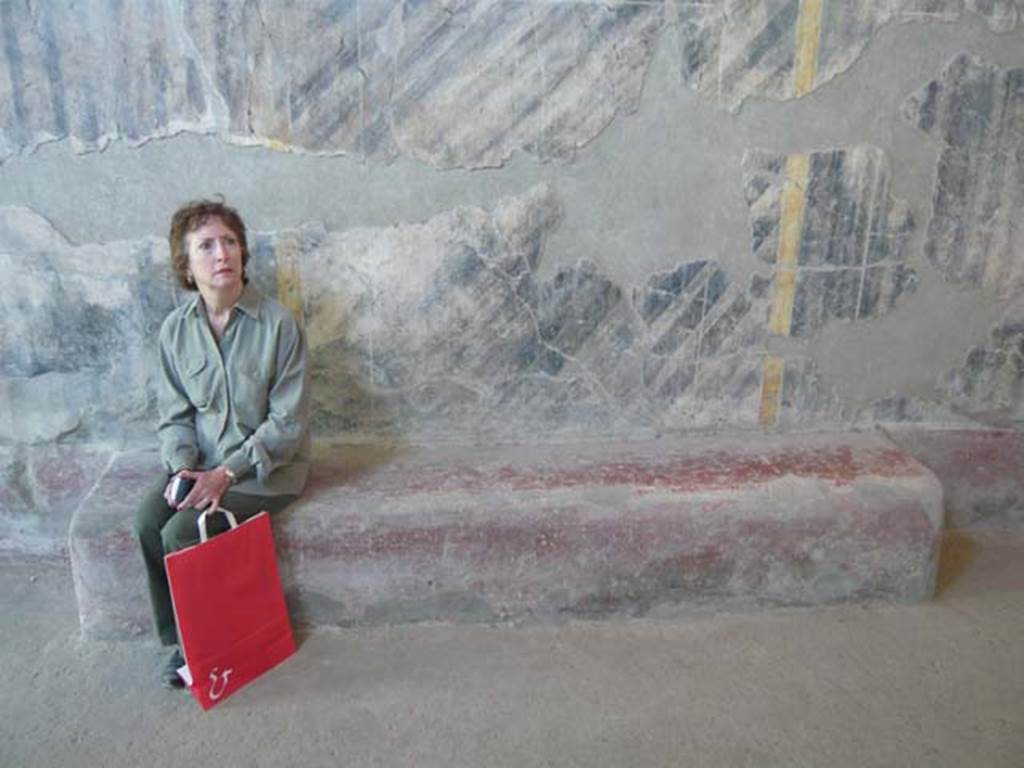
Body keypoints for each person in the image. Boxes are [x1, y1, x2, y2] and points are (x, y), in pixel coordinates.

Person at [133, 199, 311, 689]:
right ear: (186, 265)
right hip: (203, 466)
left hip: (267, 471)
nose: (221, 254)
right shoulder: (175, 332)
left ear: (243, 253)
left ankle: (203, 649)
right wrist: (183, 469)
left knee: (180, 533)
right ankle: (181, 639)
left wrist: (226, 473)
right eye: (206, 246)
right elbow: (175, 417)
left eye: (229, 242)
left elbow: (287, 424)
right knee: (148, 522)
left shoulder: (279, 326)